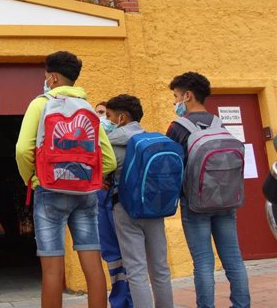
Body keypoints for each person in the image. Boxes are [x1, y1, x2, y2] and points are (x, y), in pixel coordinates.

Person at [16, 51, 117, 308]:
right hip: (85, 193)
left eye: (46, 76)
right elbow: (109, 160)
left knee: (52, 270)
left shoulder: (40, 104)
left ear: (53, 77)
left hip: (49, 190)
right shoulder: (88, 108)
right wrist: (91, 178)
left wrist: (33, 178)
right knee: (93, 264)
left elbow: (22, 149)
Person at [166, 72, 250, 308]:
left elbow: (172, 167)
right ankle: (242, 305)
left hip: (195, 204)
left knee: (203, 262)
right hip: (225, 201)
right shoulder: (219, 123)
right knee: (233, 259)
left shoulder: (178, 128)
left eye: (176, 97)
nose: (175, 103)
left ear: (188, 95)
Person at [106, 94, 173, 308]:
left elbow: (100, 174)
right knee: (161, 268)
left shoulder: (110, 145)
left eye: (108, 116)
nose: (106, 121)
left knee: (136, 270)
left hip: (125, 209)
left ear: (122, 118)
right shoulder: (153, 141)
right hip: (154, 208)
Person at [97, 99, 133, 308]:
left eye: (105, 114)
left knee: (129, 255)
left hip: (121, 203)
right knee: (112, 256)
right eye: (98, 114)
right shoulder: (95, 142)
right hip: (101, 201)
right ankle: (120, 301)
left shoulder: (124, 142)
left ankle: (132, 299)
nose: (102, 118)